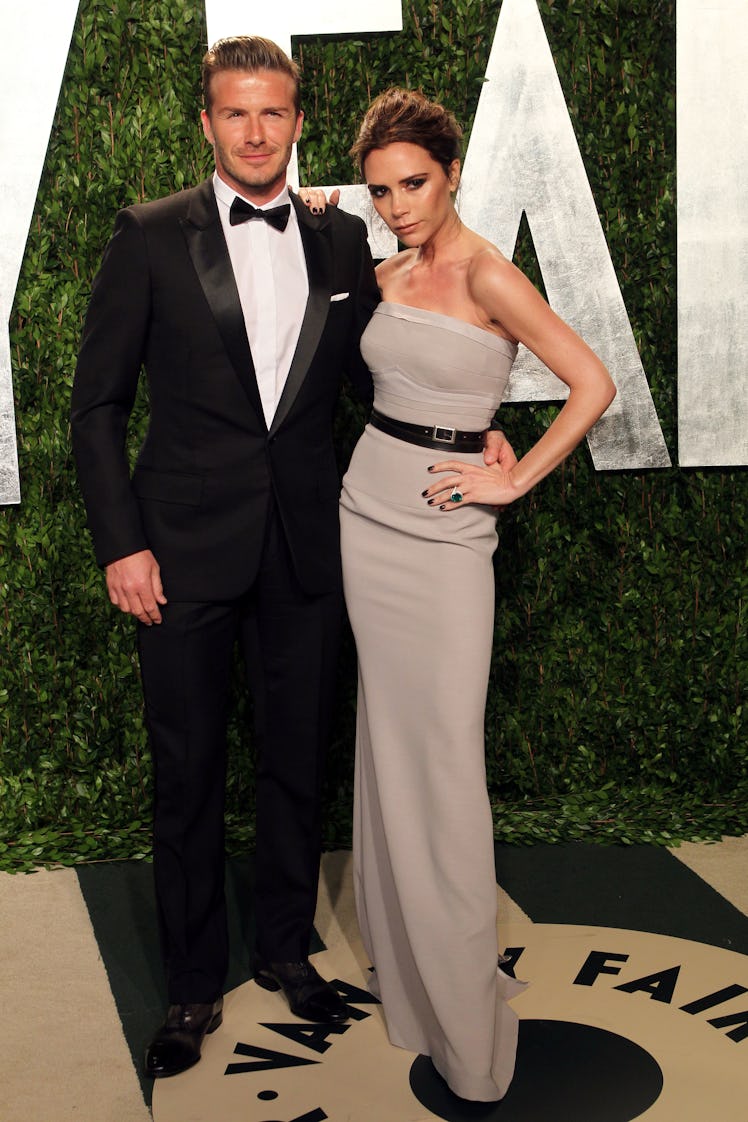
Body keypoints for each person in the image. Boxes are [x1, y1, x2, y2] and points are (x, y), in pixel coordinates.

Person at [70, 35, 383, 1078]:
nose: (256, 133)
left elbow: (375, 387)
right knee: (188, 773)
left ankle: (286, 947)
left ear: (299, 122)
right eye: (236, 115)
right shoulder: (149, 236)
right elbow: (97, 406)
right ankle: (194, 983)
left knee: (297, 766)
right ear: (207, 124)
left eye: (275, 114)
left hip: (304, 551)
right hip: (182, 553)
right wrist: (124, 545)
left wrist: (469, 428)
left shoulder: (342, 246)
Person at [336, 87, 617, 1102]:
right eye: (380, 190)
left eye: (413, 182)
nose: (400, 204)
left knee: (445, 762)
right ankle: (411, 989)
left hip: (449, 536)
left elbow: (591, 381)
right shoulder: (382, 268)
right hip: (364, 515)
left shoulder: (488, 272)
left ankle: (467, 1028)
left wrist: (508, 472)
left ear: (450, 174)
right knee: (389, 745)